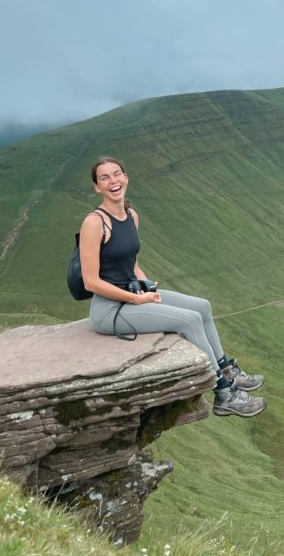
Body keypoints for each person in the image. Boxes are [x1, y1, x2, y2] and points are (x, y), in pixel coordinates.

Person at [80, 156, 266, 418]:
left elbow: (131, 264)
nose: (113, 181)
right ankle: (224, 393)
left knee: (202, 306)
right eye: (105, 178)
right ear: (97, 187)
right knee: (188, 321)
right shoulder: (95, 222)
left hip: (134, 294)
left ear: (126, 177)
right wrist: (136, 300)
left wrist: (147, 287)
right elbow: (91, 282)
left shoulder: (131, 216)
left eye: (117, 174)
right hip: (110, 310)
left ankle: (225, 368)